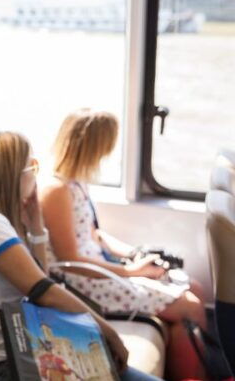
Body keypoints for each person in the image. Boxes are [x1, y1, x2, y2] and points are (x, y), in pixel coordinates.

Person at [0, 131, 159, 381]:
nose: (35, 174)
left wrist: (35, 226)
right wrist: (108, 332)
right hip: (1, 367)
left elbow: (39, 279)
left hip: (18, 354)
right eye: (32, 165)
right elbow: (44, 291)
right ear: (13, 175)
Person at [40, 109, 207, 380]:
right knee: (190, 306)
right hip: (82, 281)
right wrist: (132, 272)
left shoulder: (77, 184)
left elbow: (96, 235)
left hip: (100, 270)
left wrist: (134, 255)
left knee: (194, 286)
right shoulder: (56, 191)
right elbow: (70, 259)